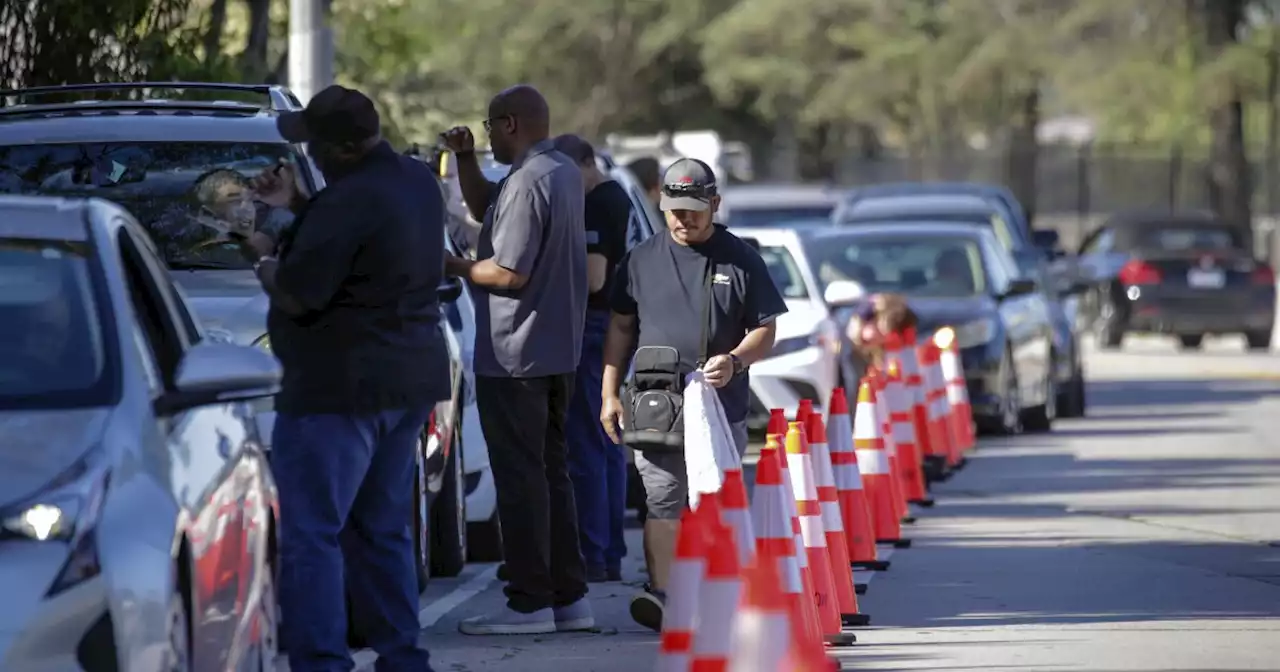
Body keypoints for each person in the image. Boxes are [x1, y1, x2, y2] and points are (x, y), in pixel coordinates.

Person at [232, 84, 447, 672]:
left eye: (316, 145)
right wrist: (301, 204)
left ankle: (322, 660)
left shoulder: (349, 198)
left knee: (313, 533)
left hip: (338, 388)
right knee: (382, 530)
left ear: (343, 148)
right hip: (405, 382)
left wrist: (261, 254)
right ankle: (404, 656)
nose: (310, 155)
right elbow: (362, 244)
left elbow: (301, 294)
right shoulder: (413, 182)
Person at [600, 157, 788, 631]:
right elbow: (621, 327)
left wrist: (736, 360)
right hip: (654, 405)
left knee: (715, 501)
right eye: (674, 209)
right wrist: (609, 392)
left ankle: (717, 588)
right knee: (662, 499)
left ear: (715, 204)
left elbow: (766, 331)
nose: (684, 219)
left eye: (694, 210)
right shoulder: (640, 260)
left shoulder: (741, 258)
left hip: (719, 410)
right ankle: (664, 596)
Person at [439, 84, 593, 635]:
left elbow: (508, 272)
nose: (485, 137)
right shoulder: (559, 171)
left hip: (516, 354)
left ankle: (528, 602)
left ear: (510, 124)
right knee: (551, 475)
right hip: (554, 351)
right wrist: (462, 160)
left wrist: (451, 265)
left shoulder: (530, 180)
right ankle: (569, 601)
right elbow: (491, 212)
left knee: (521, 480)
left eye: (486, 129)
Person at [552, 133, 631, 583]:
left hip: (594, 326)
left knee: (586, 440)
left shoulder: (599, 203)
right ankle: (607, 551)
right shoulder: (614, 196)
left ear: (586, 164)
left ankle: (594, 552)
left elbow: (596, 277)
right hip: (609, 327)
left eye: (567, 176)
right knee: (605, 443)